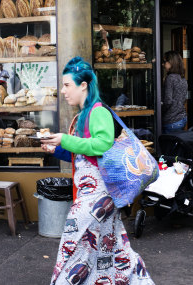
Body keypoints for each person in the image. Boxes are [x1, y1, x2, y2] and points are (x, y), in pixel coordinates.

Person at [41, 57, 154, 284]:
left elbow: (102, 144)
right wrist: (56, 149)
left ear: (83, 85)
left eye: (67, 85)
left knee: (71, 250)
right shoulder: (82, 115)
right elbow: (83, 155)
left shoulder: (97, 111)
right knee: (114, 250)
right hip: (97, 195)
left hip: (96, 197)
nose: (63, 91)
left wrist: (65, 139)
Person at [162, 50, 188, 134]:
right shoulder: (182, 78)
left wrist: (159, 110)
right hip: (182, 118)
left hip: (171, 120)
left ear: (171, 62)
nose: (163, 64)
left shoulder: (170, 78)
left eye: (164, 62)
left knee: (168, 146)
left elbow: (168, 101)